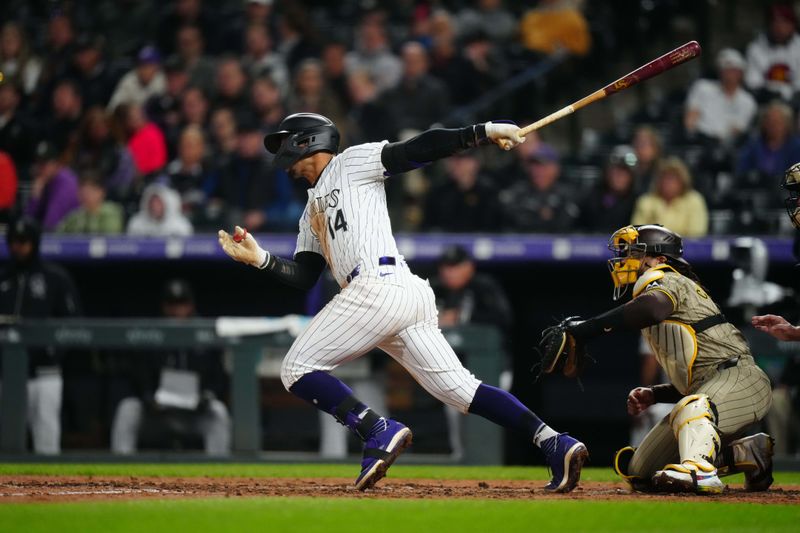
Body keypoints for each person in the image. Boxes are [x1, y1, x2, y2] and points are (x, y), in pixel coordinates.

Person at [217, 112, 588, 492]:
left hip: (379, 285)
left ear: (306, 140)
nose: (279, 151)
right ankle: (554, 442)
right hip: (397, 294)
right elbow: (304, 276)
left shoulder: (351, 162)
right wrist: (259, 258)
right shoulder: (310, 211)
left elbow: (418, 149)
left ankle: (377, 428)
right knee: (461, 391)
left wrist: (483, 132)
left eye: (284, 141)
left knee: (296, 368)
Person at [544, 224, 773, 494]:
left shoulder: (670, 279)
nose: (625, 259)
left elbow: (653, 308)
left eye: (635, 252)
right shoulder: (650, 296)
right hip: (711, 385)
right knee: (641, 473)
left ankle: (701, 473)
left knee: (692, 408)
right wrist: (656, 394)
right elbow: (701, 377)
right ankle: (749, 453)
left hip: (743, 378)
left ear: (661, 260)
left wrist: (587, 329)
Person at [111, 279, 230, 456]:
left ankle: (222, 477)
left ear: (190, 306)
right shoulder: (152, 335)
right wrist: (149, 397)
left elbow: (219, 380)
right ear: (164, 307)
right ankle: (119, 474)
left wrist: (206, 396)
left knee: (218, 412)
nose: (177, 310)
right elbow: (138, 378)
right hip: (158, 415)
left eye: (181, 304)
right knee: (128, 408)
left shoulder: (205, 335)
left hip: (193, 415)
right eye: (172, 304)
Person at [0, 216, 81, 454]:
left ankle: (48, 490)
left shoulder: (55, 277)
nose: (19, 246)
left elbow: (74, 323)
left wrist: (54, 353)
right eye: (14, 241)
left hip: (45, 374)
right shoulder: (3, 277)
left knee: (46, 441)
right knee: (5, 445)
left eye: (24, 241)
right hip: (6, 374)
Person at [430, 245, 513, 459]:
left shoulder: (484, 287)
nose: (449, 272)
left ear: (469, 267)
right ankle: (462, 459)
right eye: (446, 267)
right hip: (454, 367)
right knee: (454, 412)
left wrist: (460, 320)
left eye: (455, 267)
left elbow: (503, 319)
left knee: (489, 416)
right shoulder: (436, 289)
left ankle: (491, 461)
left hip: (491, 367)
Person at [499, 143, 580, 233]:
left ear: (555, 168)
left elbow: (567, 223)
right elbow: (513, 220)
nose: (537, 171)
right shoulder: (517, 192)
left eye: (543, 165)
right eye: (533, 166)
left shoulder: (569, 193)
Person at [684, 48, 757, 146]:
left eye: (733, 70)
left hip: (726, 145)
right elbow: (691, 119)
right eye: (725, 69)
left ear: (740, 73)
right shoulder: (702, 87)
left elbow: (738, 130)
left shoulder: (748, 101)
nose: (729, 74)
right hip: (700, 141)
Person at [631, 157, 709, 238]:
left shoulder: (694, 200)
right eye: (665, 178)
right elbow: (637, 233)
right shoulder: (646, 201)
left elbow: (697, 233)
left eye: (673, 179)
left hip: (688, 249)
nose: (669, 183)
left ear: (683, 181)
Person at [744, 4, 800, 103]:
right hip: (765, 101)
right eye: (776, 22)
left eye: (784, 23)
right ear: (769, 24)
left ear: (793, 26)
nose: (780, 28)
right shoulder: (756, 47)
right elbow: (753, 83)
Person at [24, 141, 80, 231]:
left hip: (71, 237)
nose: (39, 168)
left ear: (56, 164)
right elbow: (27, 220)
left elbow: (51, 224)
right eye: (38, 163)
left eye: (44, 164)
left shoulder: (66, 183)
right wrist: (35, 197)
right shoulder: (44, 181)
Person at [56, 171, 124, 234]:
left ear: (102, 192)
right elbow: (58, 236)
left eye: (90, 191)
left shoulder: (111, 212)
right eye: (83, 191)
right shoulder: (74, 216)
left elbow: (110, 238)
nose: (86, 195)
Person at [107, 45, 166, 111]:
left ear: (156, 67)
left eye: (148, 66)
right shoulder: (129, 80)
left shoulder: (164, 80)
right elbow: (113, 108)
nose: (143, 70)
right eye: (141, 65)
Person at [127, 182, 193, 237]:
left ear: (167, 204)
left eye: (158, 203)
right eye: (152, 202)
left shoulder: (180, 224)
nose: (154, 206)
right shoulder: (137, 222)